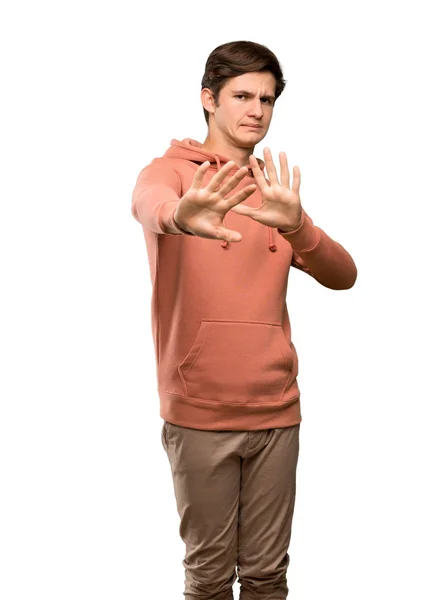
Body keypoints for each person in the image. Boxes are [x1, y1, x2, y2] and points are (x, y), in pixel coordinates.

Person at [131, 40, 357, 600]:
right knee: (208, 580)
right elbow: (149, 204)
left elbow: (344, 275)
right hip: (200, 411)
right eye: (241, 95)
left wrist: (298, 224)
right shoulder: (172, 173)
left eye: (267, 98)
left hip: (277, 411)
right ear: (209, 99)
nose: (256, 109)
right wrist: (180, 215)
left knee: (266, 578)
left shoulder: (273, 193)